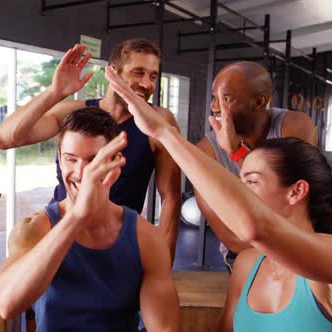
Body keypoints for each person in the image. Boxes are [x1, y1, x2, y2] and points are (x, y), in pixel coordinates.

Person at [106, 66, 332, 332]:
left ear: (296, 191)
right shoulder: (247, 266)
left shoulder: (326, 261)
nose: (240, 192)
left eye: (252, 182)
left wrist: (164, 133)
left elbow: (257, 227)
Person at [0, 39, 181, 260]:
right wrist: (54, 92)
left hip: (115, 239)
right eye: (138, 73)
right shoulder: (72, 113)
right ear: (113, 73)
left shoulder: (158, 122)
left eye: (153, 76)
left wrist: (163, 262)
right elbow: (3, 139)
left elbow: (171, 198)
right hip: (60, 232)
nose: (147, 84)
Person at [0, 108, 180, 332]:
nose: (81, 173)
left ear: (116, 162)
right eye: (70, 159)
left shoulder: (146, 238)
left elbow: (165, 328)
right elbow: (6, 305)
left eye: (93, 160)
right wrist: (77, 216)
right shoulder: (34, 229)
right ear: (59, 161)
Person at [195, 61, 317, 266]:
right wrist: (286, 252)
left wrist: (236, 151)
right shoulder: (206, 152)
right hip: (249, 251)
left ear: (259, 102)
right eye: (214, 98)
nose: (215, 107)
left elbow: (296, 199)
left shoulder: (294, 125)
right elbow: (231, 239)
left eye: (227, 99)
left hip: (302, 243)